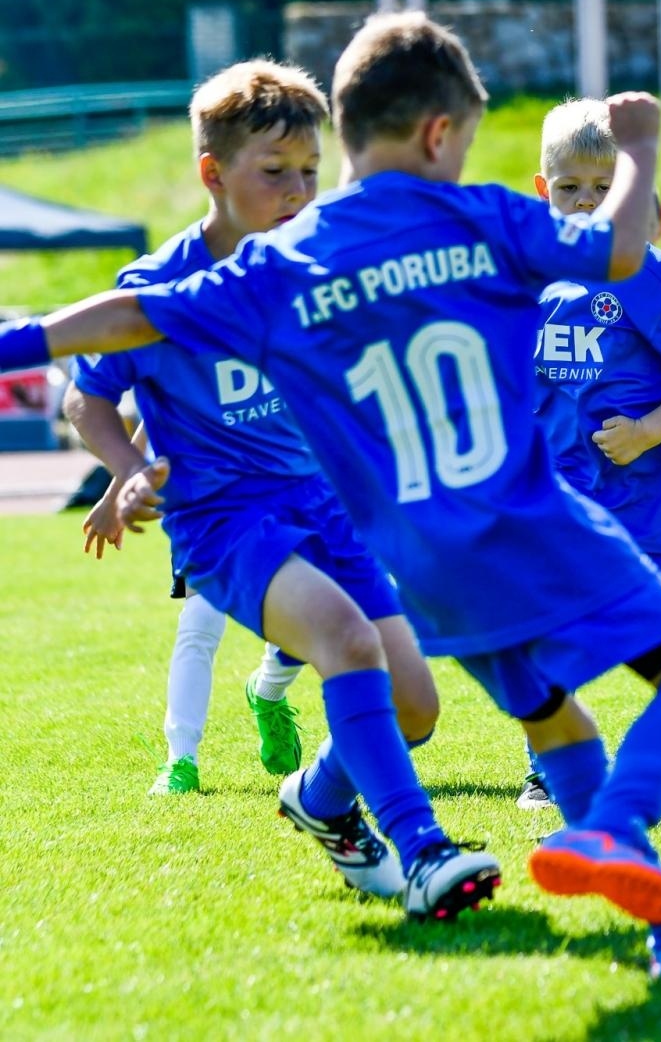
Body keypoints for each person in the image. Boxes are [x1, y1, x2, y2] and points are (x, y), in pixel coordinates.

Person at [0, 13, 661, 978]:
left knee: (551, 713)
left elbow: (130, 314)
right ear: (442, 133)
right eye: (467, 136)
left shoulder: (292, 258)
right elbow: (622, 252)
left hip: (422, 552)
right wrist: (639, 146)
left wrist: (14, 340)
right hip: (524, 513)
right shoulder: (482, 215)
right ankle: (611, 829)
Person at [54, 57, 491, 919]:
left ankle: (321, 798)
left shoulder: (314, 270)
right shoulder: (156, 287)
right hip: (228, 525)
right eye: (274, 174)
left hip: (326, 512)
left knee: (416, 707)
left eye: (308, 173)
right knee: (343, 642)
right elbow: (86, 395)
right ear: (212, 174)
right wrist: (130, 471)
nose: (297, 192)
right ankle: (425, 851)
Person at [515, 102, 661, 812]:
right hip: (560, 504)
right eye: (569, 186)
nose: (585, 200)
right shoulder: (532, 281)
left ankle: (650, 776)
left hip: (650, 507)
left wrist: (644, 433)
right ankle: (547, 773)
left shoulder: (651, 275)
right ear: (541, 189)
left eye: (603, 186)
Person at [79, 413, 304, 794]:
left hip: (281, 493)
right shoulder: (183, 355)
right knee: (201, 621)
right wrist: (113, 495)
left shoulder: (282, 353)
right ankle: (180, 761)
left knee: (307, 618)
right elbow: (152, 415)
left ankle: (266, 692)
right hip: (203, 505)